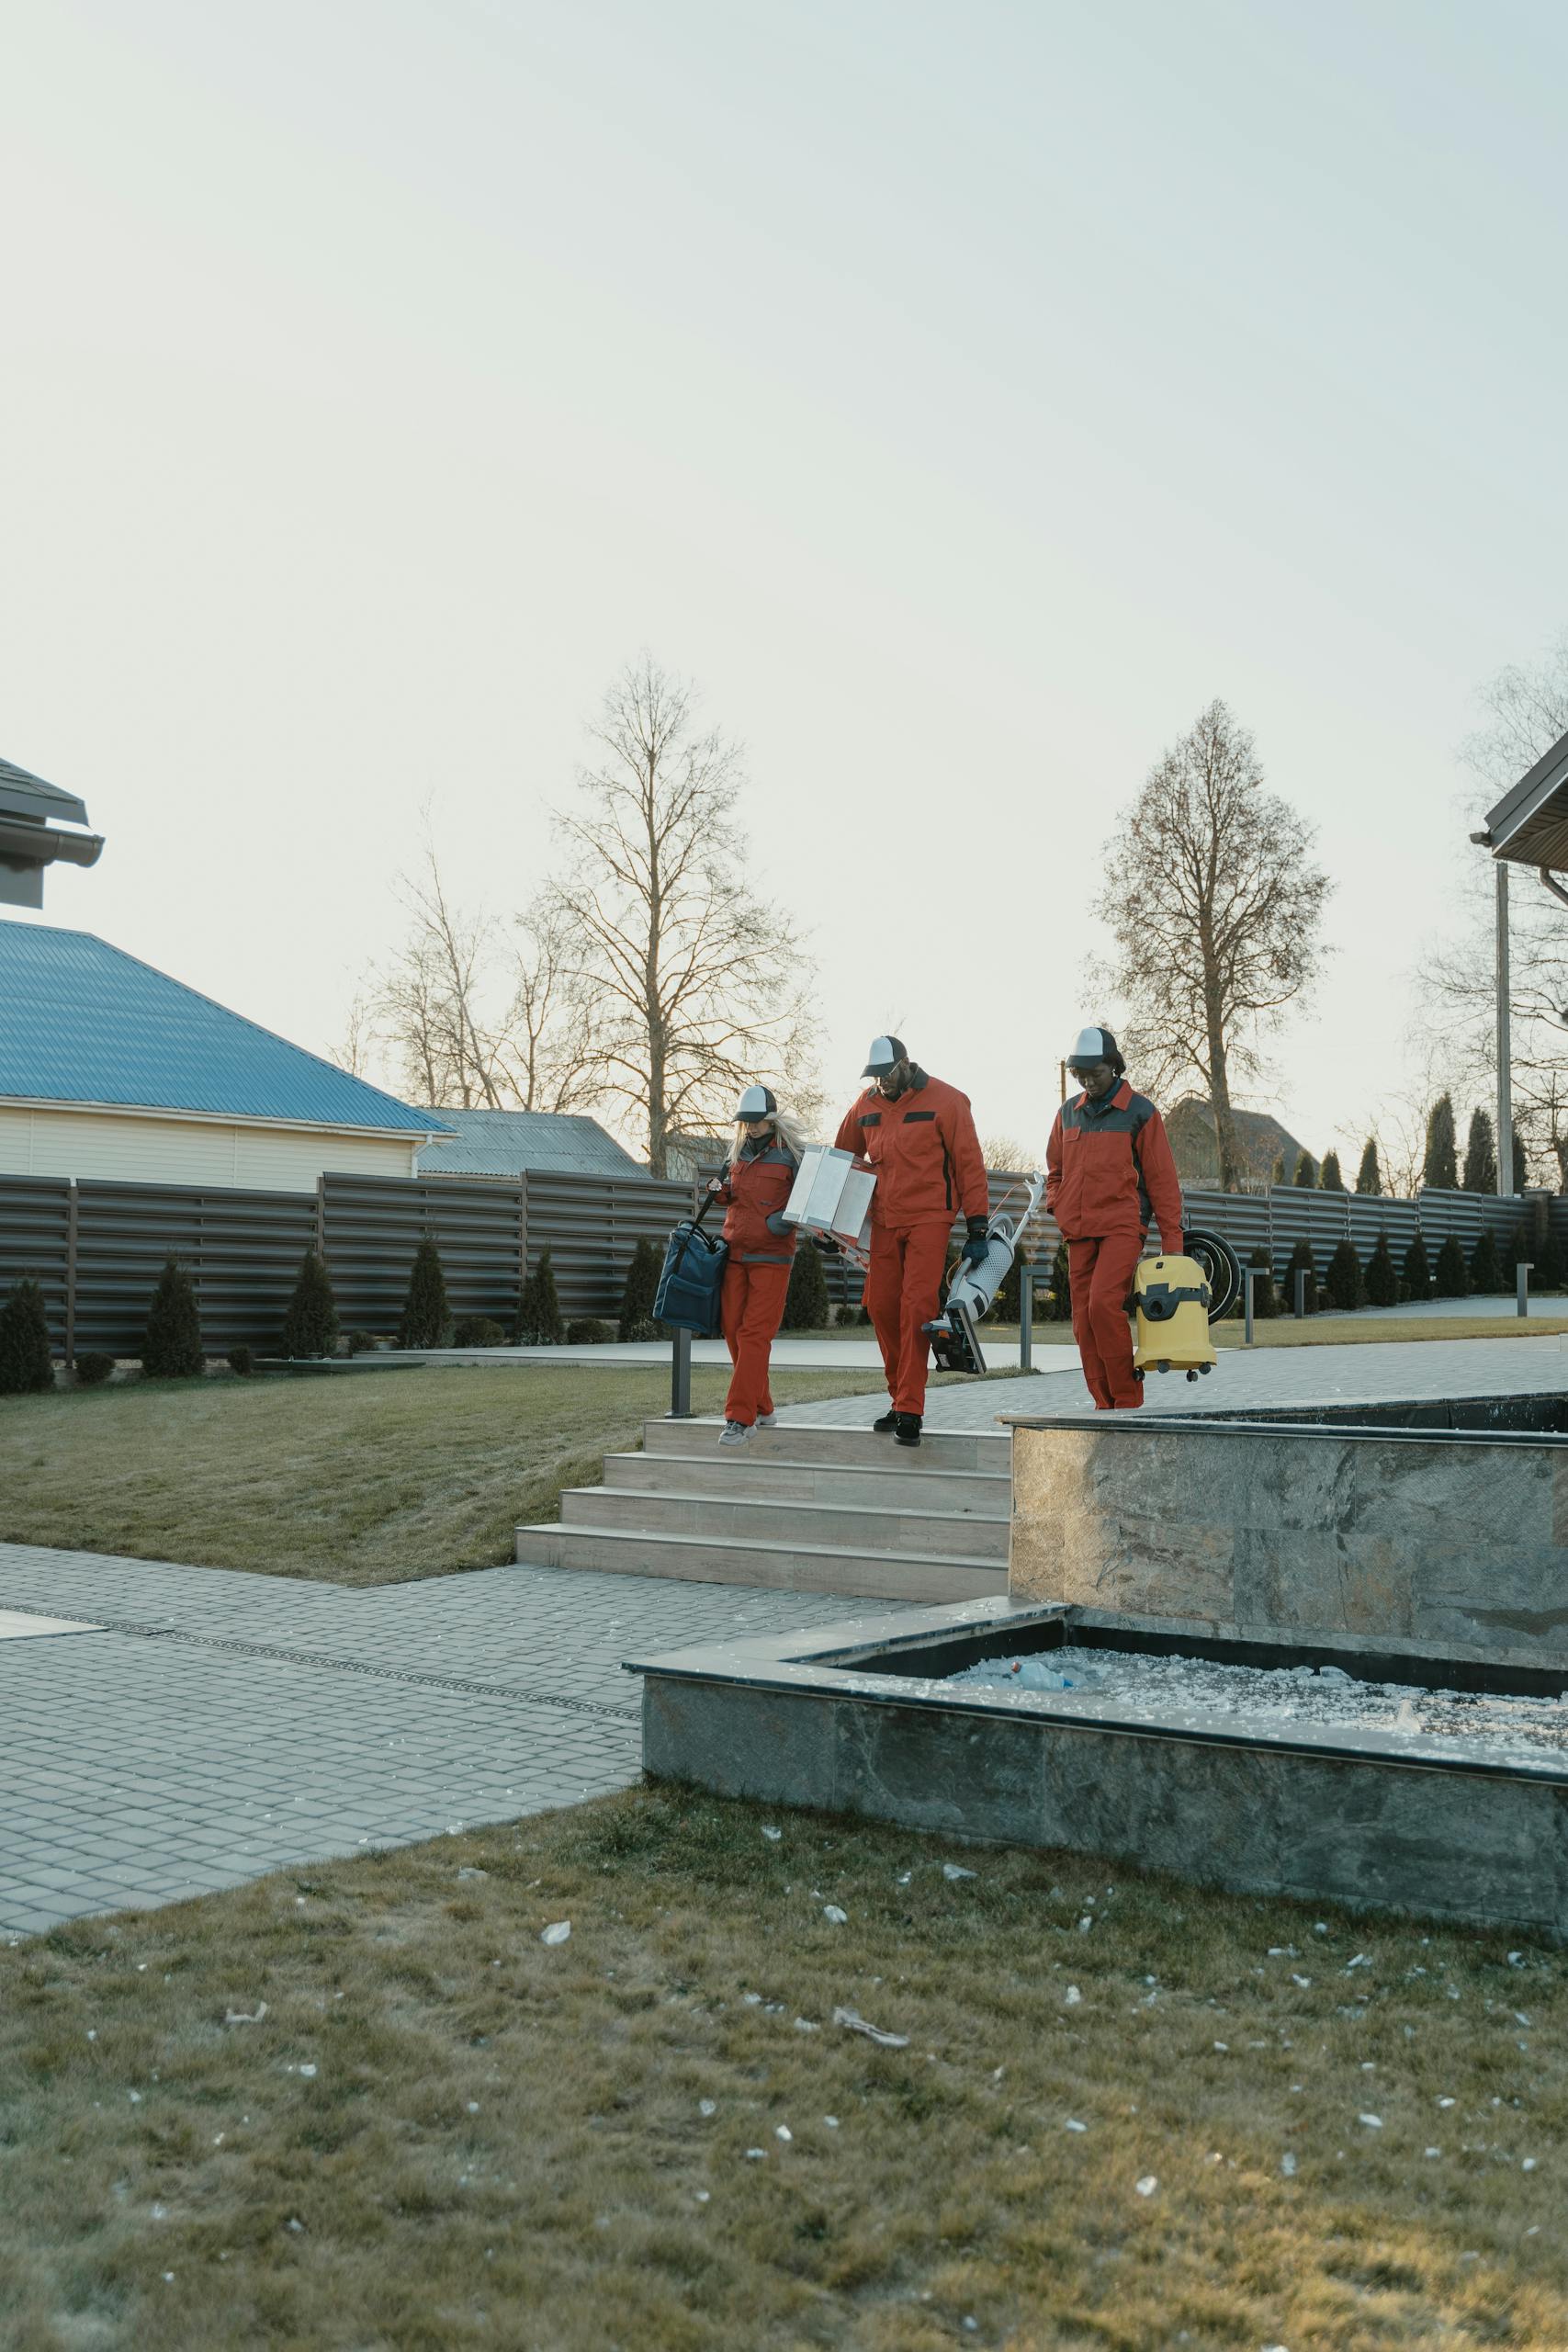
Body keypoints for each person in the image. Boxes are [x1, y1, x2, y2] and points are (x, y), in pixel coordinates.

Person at [834, 1036, 989, 1446]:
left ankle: (910, 1408)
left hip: (929, 1219)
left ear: (905, 1064)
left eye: (887, 1075)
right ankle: (898, 1396)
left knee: (916, 1306)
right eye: (875, 1077)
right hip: (885, 1221)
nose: (881, 1083)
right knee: (882, 1306)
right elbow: (840, 1162)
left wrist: (977, 1226)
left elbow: (969, 1165)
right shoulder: (864, 1105)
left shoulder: (948, 1100)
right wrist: (830, 1223)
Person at [1045, 1025, 1184, 1411]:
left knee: (1103, 1307)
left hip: (1123, 1225)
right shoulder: (1066, 1114)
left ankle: (1126, 1398)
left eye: (1096, 1073)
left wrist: (1173, 1244)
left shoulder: (1140, 1112)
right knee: (1081, 1321)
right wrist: (1059, 1204)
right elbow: (1054, 1171)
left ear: (1115, 1066)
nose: (1088, 1081)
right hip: (1079, 1229)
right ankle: (1102, 1404)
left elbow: (1163, 1182)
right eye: (1081, 1074)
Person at [706, 1085, 807, 1450]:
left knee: (753, 1336)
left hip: (772, 1259)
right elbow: (736, 1197)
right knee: (733, 1330)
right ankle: (763, 1407)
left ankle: (740, 1419)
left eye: (755, 1122)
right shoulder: (737, 1156)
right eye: (744, 1122)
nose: (749, 1128)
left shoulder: (791, 1156)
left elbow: (808, 1199)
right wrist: (720, 1191)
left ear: (771, 1119)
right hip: (735, 1255)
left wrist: (777, 1224)